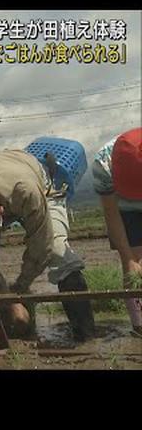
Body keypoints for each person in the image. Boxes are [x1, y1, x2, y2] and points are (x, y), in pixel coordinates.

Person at [0, 145, 95, 342]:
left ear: (0, 214)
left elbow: (42, 246)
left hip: (39, 186)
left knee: (58, 252)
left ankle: (86, 338)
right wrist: (8, 299)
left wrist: (22, 286)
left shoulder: (27, 191)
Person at [92, 127, 142, 336]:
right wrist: (129, 257)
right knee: (133, 264)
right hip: (124, 207)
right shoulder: (103, 163)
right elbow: (112, 215)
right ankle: (139, 325)